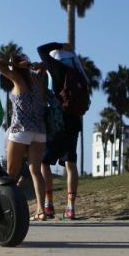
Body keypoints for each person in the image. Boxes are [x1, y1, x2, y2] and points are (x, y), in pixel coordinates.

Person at [0, 53, 49, 221]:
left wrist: (16, 66)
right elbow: (45, 67)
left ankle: (5, 208)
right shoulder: (37, 79)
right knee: (36, 171)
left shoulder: (17, 78)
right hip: (39, 131)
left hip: (21, 130)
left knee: (11, 173)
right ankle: (40, 210)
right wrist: (34, 65)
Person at [37, 42, 84, 220]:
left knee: (44, 162)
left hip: (57, 123)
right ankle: (71, 207)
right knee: (70, 164)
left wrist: (60, 45)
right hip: (74, 122)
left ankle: (49, 204)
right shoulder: (79, 73)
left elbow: (41, 50)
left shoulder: (57, 68)